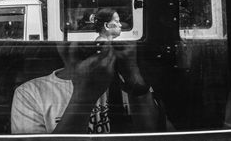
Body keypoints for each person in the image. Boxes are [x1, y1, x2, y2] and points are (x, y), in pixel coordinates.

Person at [11, 8, 160, 134]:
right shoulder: (30, 93)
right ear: (57, 42)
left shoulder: (128, 81)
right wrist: (84, 95)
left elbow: (156, 134)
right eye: (73, 32)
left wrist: (132, 76)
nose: (87, 43)